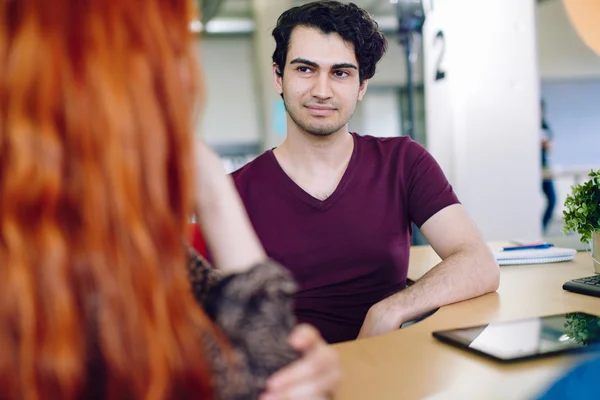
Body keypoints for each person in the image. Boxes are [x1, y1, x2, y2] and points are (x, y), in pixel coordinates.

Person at [0, 1, 339, 399]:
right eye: (168, 53)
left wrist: (305, 365)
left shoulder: (121, 230)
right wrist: (213, 187)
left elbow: (276, 360)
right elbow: (269, 376)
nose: (186, 78)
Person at [231, 1, 500, 344]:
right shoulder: (235, 192)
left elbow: (478, 262)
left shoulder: (403, 162)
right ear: (278, 77)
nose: (322, 90)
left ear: (361, 86)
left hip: (384, 372)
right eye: (305, 69)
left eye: (340, 73)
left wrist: (389, 310)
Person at [540, 99, 556, 235]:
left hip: (544, 168)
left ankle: (541, 229)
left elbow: (550, 147)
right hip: (532, 170)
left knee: (552, 199)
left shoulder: (544, 126)